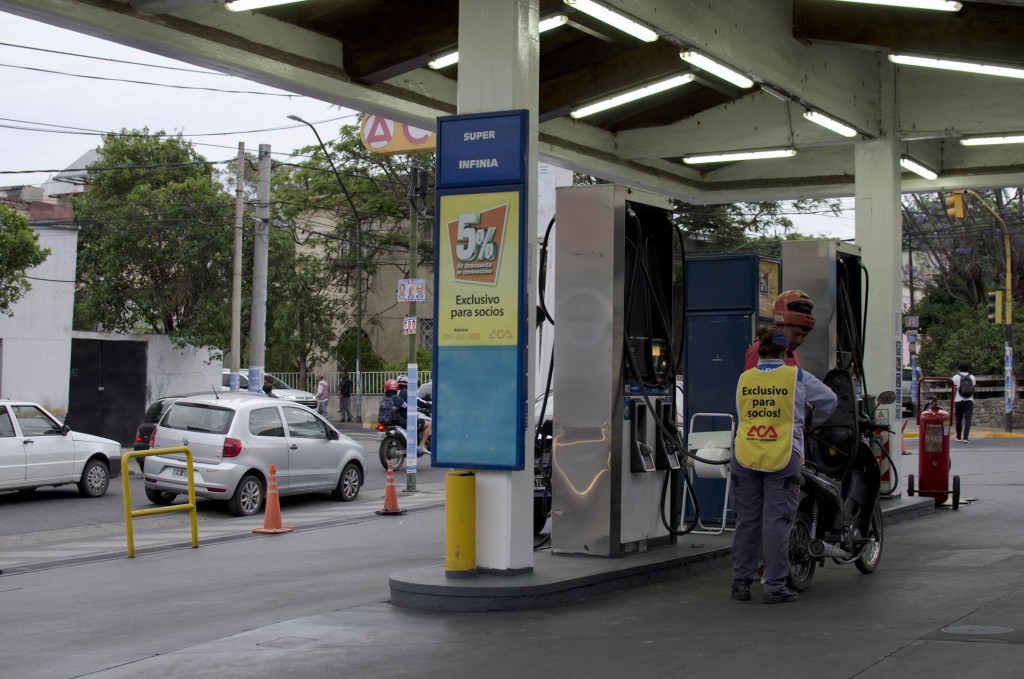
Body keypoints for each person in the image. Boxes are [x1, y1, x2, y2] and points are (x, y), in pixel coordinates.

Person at [732, 327, 838, 604]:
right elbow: (830, 400)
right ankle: (774, 586)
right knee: (776, 521)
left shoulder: (745, 378)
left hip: (745, 454)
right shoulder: (796, 376)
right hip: (782, 454)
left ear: (760, 351)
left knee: (747, 521)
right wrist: (813, 422)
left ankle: (741, 583)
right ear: (784, 353)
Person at [744, 290, 816, 370]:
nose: (799, 341)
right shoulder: (760, 350)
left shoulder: (792, 352)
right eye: (796, 334)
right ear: (780, 326)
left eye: (804, 336)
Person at [952, 362, 975, 443]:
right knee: (968, 419)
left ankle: (958, 436)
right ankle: (965, 437)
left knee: (959, 419)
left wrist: (953, 400)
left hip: (958, 400)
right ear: (968, 368)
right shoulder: (972, 377)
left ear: (959, 369)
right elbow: (973, 388)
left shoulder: (955, 377)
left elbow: (954, 390)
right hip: (969, 400)